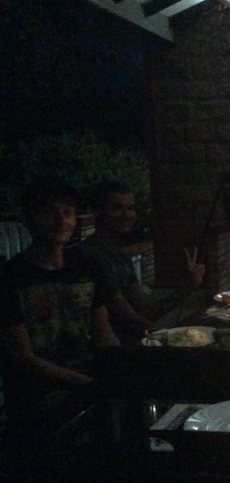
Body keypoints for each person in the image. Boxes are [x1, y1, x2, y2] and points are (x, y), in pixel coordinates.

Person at [0, 180, 120, 479]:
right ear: (27, 220)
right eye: (48, 212)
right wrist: (89, 384)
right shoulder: (11, 278)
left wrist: (120, 370)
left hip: (92, 394)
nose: (61, 221)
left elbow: (103, 331)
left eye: (67, 212)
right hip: (36, 405)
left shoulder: (87, 265)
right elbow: (23, 357)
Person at [75, 180, 205, 344]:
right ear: (97, 212)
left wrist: (189, 286)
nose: (127, 216)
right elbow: (129, 318)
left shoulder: (119, 255)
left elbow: (148, 309)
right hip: (113, 349)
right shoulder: (89, 255)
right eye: (117, 208)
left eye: (131, 208)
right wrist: (175, 336)